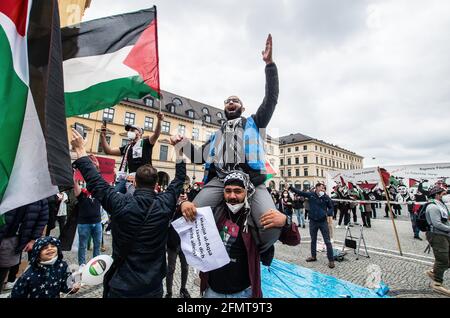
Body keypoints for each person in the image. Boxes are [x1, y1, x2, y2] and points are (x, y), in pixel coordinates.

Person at [171, 34, 280, 253]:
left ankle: (259, 250)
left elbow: (271, 99)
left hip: (251, 182)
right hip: (221, 181)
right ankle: (213, 249)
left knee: (270, 227)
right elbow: (199, 157)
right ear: (224, 108)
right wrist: (182, 143)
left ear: (242, 107)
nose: (231, 102)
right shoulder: (216, 135)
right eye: (227, 101)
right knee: (192, 215)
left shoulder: (254, 122)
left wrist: (269, 65)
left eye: (235, 101)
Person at [70, 128, 186, 298]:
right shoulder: (165, 203)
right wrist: (179, 149)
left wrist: (80, 150)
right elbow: (179, 179)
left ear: (134, 183)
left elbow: (96, 184)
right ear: (156, 185)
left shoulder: (119, 202)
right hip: (152, 288)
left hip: (121, 287)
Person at [180, 171, 300, 298]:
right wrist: (183, 205)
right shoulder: (215, 213)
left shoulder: (255, 217)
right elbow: (185, 227)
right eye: (228, 191)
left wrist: (285, 221)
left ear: (246, 192)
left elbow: (294, 240)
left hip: (244, 292)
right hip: (212, 290)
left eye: (238, 191)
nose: (232, 196)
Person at [100, 113, 164, 193]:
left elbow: (156, 134)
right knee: (113, 194)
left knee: (133, 198)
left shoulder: (146, 143)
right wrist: (102, 136)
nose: (130, 132)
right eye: (129, 131)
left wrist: (159, 120)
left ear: (140, 133)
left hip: (143, 180)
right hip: (127, 179)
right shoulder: (127, 147)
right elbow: (108, 150)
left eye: (132, 130)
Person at [0, 200, 49, 293]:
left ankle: (9, 280)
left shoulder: (40, 195)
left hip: (13, 239)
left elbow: (43, 218)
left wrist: (34, 239)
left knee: (2, 271)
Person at [10, 236, 80, 298]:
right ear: (37, 252)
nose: (50, 249)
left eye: (53, 246)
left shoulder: (62, 266)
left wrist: (72, 288)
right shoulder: (29, 274)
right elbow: (17, 293)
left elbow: (66, 285)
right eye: (45, 248)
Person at [289, 183, 336, 268]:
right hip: (313, 221)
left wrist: (327, 213)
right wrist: (290, 187)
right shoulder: (311, 195)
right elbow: (299, 192)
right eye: (321, 188)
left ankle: (331, 260)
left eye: (324, 189)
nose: (323, 190)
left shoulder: (326, 197)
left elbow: (332, 207)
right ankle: (313, 256)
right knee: (313, 239)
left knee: (327, 241)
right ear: (317, 188)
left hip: (323, 222)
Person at [73, 156, 103, 266]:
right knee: (83, 245)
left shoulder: (97, 192)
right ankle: (82, 265)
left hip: (97, 222)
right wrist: (74, 173)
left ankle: (96, 265)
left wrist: (97, 169)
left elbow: (99, 182)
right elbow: (74, 184)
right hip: (84, 223)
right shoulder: (81, 194)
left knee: (97, 244)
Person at [424, 186, 450, 296]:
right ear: (437, 195)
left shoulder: (442, 205)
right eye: (443, 193)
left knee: (447, 259)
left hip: (445, 235)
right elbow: (437, 224)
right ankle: (437, 283)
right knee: (442, 260)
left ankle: (434, 272)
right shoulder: (432, 207)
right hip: (437, 236)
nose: (446, 195)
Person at [165, 193, 191, 299]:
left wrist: (186, 203)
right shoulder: (171, 208)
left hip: (185, 243)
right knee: (170, 269)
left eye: (184, 196)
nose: (182, 198)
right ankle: (169, 292)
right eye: (180, 196)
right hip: (172, 242)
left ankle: (183, 289)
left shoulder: (188, 208)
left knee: (185, 267)